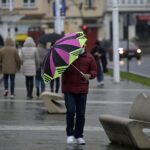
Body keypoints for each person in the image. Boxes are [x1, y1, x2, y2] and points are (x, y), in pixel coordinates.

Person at [62, 45, 97, 145]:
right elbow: (61, 70)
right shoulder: (67, 57)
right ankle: (70, 134)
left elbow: (94, 71)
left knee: (81, 114)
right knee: (71, 111)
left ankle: (79, 136)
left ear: (84, 45)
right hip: (69, 89)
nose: (80, 47)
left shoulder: (89, 58)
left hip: (82, 89)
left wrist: (89, 75)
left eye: (82, 45)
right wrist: (66, 63)